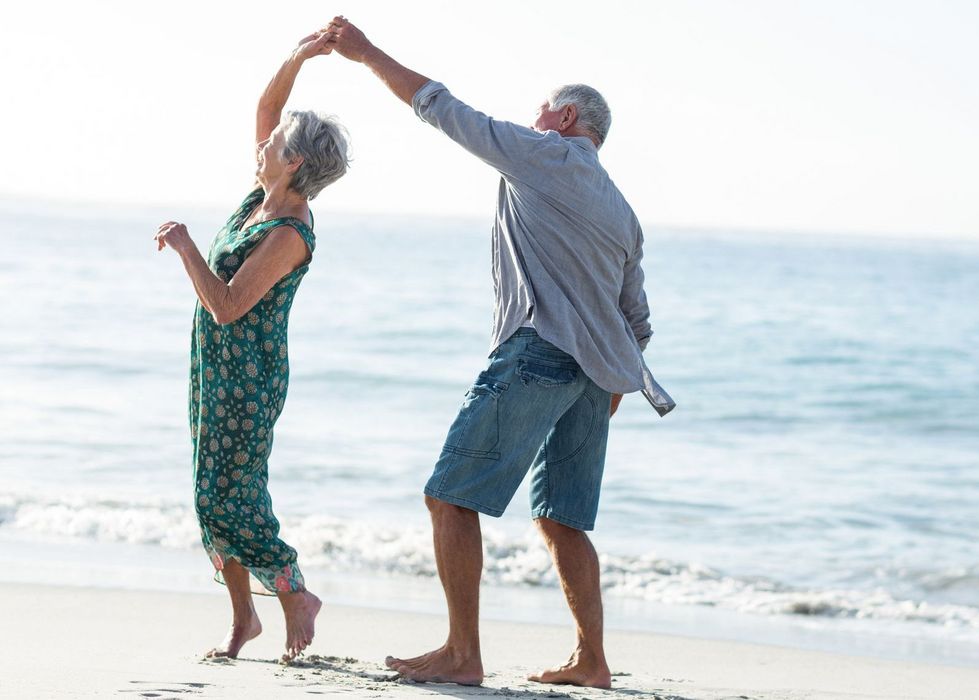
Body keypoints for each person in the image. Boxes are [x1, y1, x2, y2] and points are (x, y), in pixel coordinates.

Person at [323, 15, 675, 689]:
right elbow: (638, 319)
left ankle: (462, 652)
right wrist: (610, 390)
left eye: (540, 110)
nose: (531, 118)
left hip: (538, 352)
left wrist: (365, 53)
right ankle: (592, 661)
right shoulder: (623, 210)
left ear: (566, 117)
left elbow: (442, 108)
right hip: (594, 380)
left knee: (448, 497)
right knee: (561, 518)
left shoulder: (544, 153)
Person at [154, 32, 350, 662]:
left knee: (227, 495)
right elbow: (267, 115)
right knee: (207, 493)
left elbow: (229, 305)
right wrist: (297, 58)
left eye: (274, 145)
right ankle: (244, 620)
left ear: (293, 163)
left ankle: (294, 591)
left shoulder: (290, 229)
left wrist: (186, 247)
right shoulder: (260, 198)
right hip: (213, 367)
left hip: (248, 377)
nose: (262, 144)